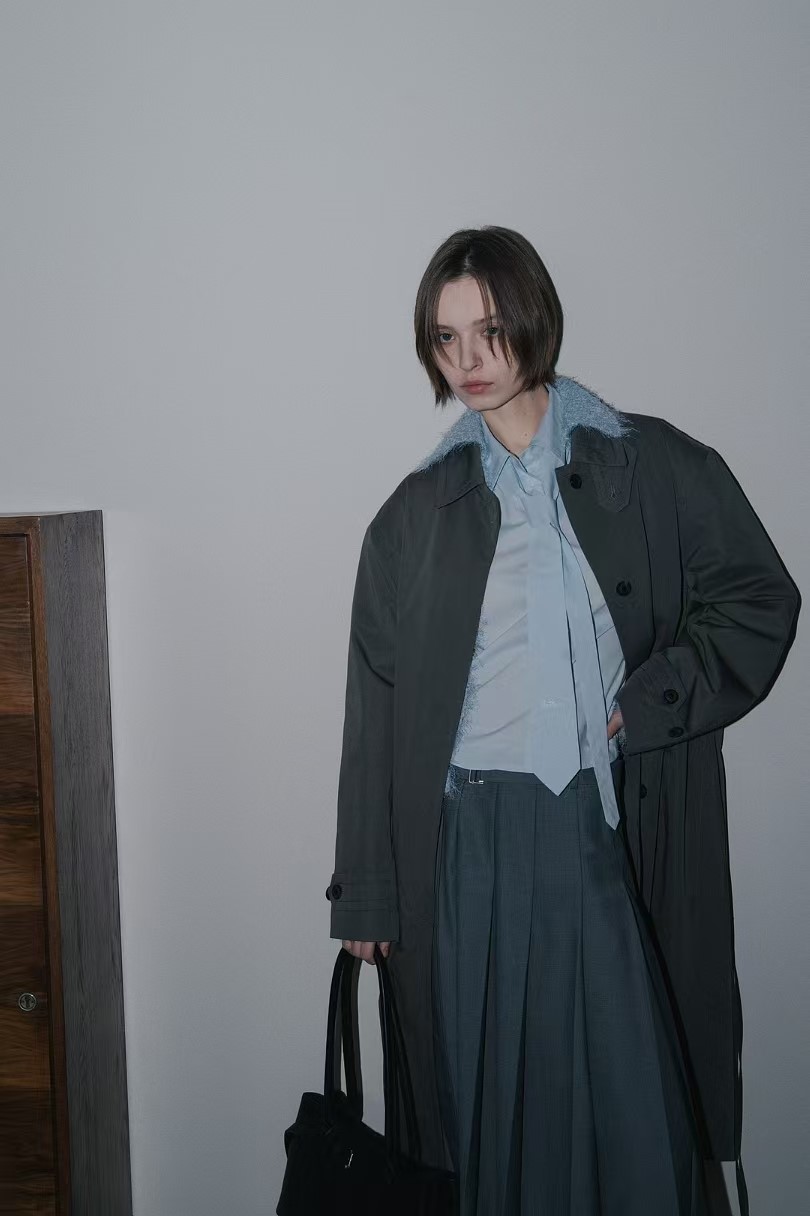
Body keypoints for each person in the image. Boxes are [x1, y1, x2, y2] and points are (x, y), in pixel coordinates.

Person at [326, 225, 800, 1215]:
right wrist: (367, 892)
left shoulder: (650, 466)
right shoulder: (413, 515)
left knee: (631, 1109)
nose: (468, 360)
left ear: (534, 321)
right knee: (481, 1112)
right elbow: (375, 702)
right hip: (464, 844)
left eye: (489, 330)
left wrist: (647, 703)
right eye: (446, 338)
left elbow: (760, 597)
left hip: (596, 824)